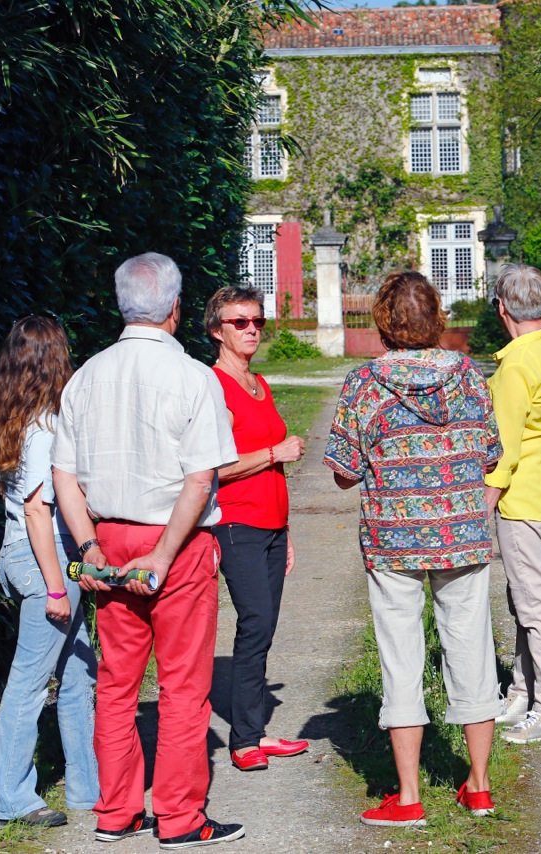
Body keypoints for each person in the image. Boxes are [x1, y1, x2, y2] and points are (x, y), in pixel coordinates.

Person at [52, 253, 245, 848]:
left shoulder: (86, 376)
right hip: (176, 543)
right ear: (175, 307)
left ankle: (117, 811)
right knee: (183, 686)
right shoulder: (193, 376)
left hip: (107, 538)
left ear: (121, 305)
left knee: (116, 684)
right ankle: (181, 818)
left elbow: (64, 476)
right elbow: (201, 478)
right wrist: (161, 555)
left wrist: (88, 545)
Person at [324, 271, 504, 828]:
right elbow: (491, 455)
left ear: (382, 322)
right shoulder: (468, 376)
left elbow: (344, 473)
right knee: (471, 649)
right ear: (436, 318)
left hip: (393, 540)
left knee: (400, 657)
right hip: (460, 532)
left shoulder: (364, 383)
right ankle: (479, 786)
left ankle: (407, 797)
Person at [0, 316, 99, 828]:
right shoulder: (45, 428)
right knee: (29, 684)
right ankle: (10, 799)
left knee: (78, 674)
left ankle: (87, 788)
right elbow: (36, 510)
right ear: (56, 361)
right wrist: (56, 585)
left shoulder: (12, 420)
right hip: (45, 560)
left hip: (24, 557)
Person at [202, 285, 309, 772]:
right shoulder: (214, 387)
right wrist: (274, 452)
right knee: (255, 624)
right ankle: (244, 741)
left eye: (258, 321)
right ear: (216, 330)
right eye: (240, 322)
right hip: (236, 523)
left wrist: (285, 531)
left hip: (271, 526)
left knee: (264, 629)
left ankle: (255, 731)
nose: (251, 330)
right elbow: (212, 468)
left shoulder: (259, 383)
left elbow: (274, 467)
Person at [482, 264, 541, 744]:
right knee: (523, 597)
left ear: (501, 308)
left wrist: (482, 508)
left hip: (520, 500)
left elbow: (505, 451)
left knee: (534, 605)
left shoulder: (514, 368)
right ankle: (522, 692)